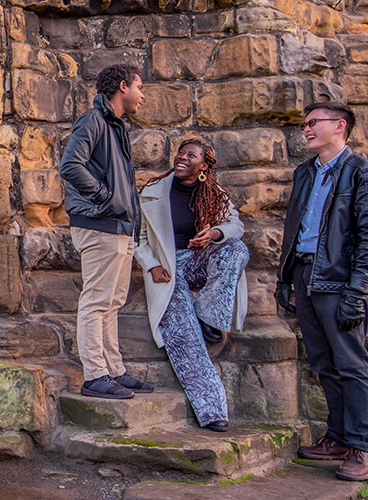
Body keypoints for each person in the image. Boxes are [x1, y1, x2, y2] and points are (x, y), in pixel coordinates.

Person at [276, 102, 368, 481]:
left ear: (339, 126)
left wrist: (357, 292)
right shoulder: (305, 173)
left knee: (352, 365)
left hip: (339, 283)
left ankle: (365, 448)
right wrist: (284, 279)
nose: (305, 129)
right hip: (306, 277)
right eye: (304, 124)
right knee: (324, 363)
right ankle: (339, 438)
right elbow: (296, 228)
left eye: (313, 123)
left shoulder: (364, 174)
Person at [134, 136, 249, 432]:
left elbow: (236, 226)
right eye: (181, 152)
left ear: (204, 166)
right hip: (168, 267)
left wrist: (213, 235)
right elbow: (139, 240)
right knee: (182, 331)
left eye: (191, 154)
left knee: (237, 249)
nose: (183, 157)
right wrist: (153, 265)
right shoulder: (153, 191)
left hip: (199, 261)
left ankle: (210, 316)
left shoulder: (215, 192)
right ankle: (212, 410)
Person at [59, 64, 153, 399]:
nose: (142, 95)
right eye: (140, 88)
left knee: (113, 302)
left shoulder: (115, 127)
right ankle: (94, 375)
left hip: (120, 227)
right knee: (97, 301)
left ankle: (114, 369)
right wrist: (105, 197)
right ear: (123, 86)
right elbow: (70, 164)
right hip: (100, 225)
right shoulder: (94, 120)